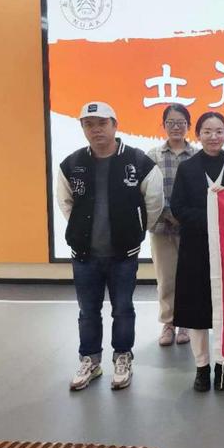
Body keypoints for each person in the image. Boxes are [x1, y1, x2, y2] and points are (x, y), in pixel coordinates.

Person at [57, 102, 164, 392]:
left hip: (123, 255)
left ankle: (122, 358)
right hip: (84, 255)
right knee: (87, 311)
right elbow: (66, 204)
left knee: (123, 309)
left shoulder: (138, 162)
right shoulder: (72, 164)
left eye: (102, 123)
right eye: (89, 124)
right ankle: (90, 360)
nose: (96, 130)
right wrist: (83, 231)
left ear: (115, 125)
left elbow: (154, 202)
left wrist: (134, 231)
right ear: (83, 129)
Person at [171, 112, 224, 393]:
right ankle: (202, 367)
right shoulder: (187, 169)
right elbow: (178, 208)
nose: (213, 136)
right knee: (197, 311)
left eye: (219, 131)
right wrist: (211, 217)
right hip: (195, 250)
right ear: (198, 134)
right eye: (207, 131)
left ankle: (222, 366)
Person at [146, 104, 196, 347]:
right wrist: (168, 213)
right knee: (166, 279)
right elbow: (148, 191)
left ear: (188, 126)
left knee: (188, 277)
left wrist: (183, 216)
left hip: (190, 228)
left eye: (181, 123)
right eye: (171, 122)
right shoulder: (153, 155)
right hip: (161, 226)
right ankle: (168, 324)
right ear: (163, 125)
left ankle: (185, 323)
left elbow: (198, 192)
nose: (176, 127)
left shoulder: (197, 155)